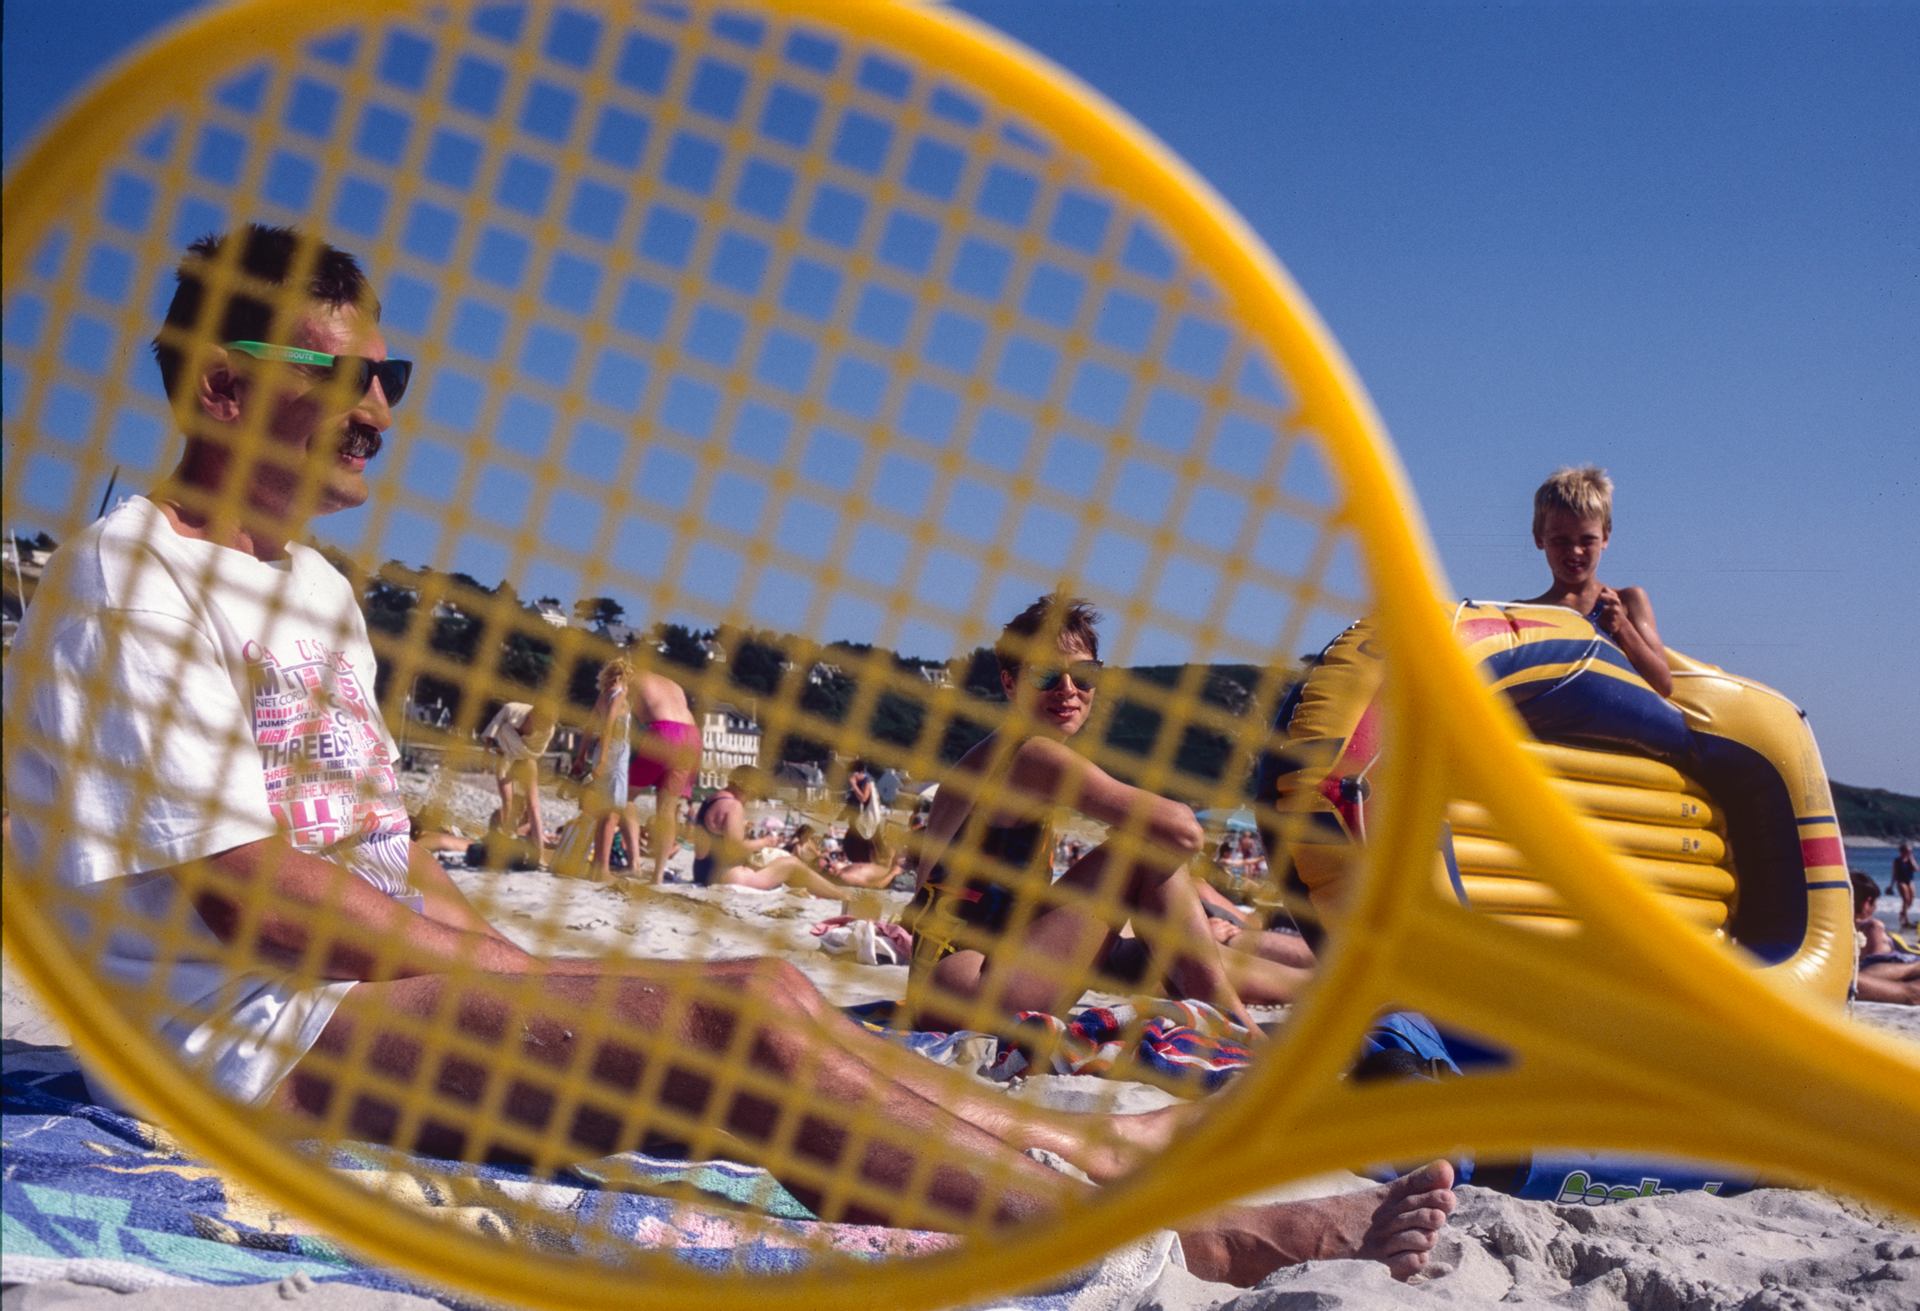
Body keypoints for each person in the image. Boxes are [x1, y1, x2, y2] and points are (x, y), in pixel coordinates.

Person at [2, 224, 1455, 1283]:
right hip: (228, 1051)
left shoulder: (315, 589)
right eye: (338, 372)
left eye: (394, 371)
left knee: (755, 996)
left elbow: (380, 861)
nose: (380, 406)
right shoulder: (131, 579)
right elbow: (254, 897)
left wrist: (541, 973)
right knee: (727, 1022)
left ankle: (1094, 1150)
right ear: (219, 385)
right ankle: (1167, 1231)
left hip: (332, 1004)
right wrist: (529, 981)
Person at [904, 595, 1300, 1035]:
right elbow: (1184, 833)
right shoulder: (1031, 756)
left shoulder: (990, 755)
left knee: (1143, 955)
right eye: (1045, 673)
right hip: (969, 994)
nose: (1068, 689)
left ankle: (1320, 984)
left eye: (1085, 674)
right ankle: (1234, 1026)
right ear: (1010, 683)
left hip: (950, 985)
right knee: (1143, 851)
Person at [1520, 465, 1672, 697]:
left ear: (1605, 537)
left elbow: (1663, 684)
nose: (1575, 551)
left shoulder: (1627, 601)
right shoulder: (1524, 613)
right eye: (1561, 540)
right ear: (1539, 538)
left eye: (1587, 540)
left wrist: (1622, 627)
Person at [690, 767, 888, 895]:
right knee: (792, 865)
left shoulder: (713, 799)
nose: (752, 798)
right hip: (722, 877)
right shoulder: (733, 806)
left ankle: (830, 891)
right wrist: (764, 842)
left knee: (779, 865)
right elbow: (734, 849)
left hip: (702, 870)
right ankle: (841, 896)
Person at [623, 670, 701, 881]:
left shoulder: (632, 678)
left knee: (625, 797)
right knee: (667, 810)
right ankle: (657, 876)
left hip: (664, 732)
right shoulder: (674, 684)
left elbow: (625, 716)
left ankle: (635, 863)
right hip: (692, 736)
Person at [573, 658, 643, 883]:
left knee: (604, 812)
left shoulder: (603, 696)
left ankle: (597, 866)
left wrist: (582, 755)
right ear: (626, 676)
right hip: (615, 753)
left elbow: (590, 727)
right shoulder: (620, 693)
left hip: (600, 752)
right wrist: (604, 758)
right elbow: (609, 724)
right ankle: (602, 869)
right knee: (611, 813)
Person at [480, 699, 556, 848]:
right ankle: (507, 838)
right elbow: (494, 727)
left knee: (533, 805)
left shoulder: (548, 730)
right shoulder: (512, 710)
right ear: (533, 714)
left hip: (526, 757)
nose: (543, 727)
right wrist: (486, 752)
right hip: (505, 755)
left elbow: (537, 751)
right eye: (541, 722)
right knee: (507, 801)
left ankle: (538, 847)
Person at [1851, 872, 1918, 1005]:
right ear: (1867, 902)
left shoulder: (1839, 927)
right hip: (1900, 970)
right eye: (1875, 903)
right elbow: (1876, 960)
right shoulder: (1872, 926)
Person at [1891, 840, 1916, 931]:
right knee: (1905, 899)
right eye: (1907, 851)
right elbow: (1894, 873)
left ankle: (1902, 913)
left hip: (1910, 880)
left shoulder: (1910, 860)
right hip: (1901, 881)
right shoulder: (1897, 861)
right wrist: (1891, 885)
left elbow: (1916, 869)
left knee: (1911, 900)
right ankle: (1906, 920)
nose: (1908, 852)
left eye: (1910, 851)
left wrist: (1911, 859)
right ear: (1902, 851)